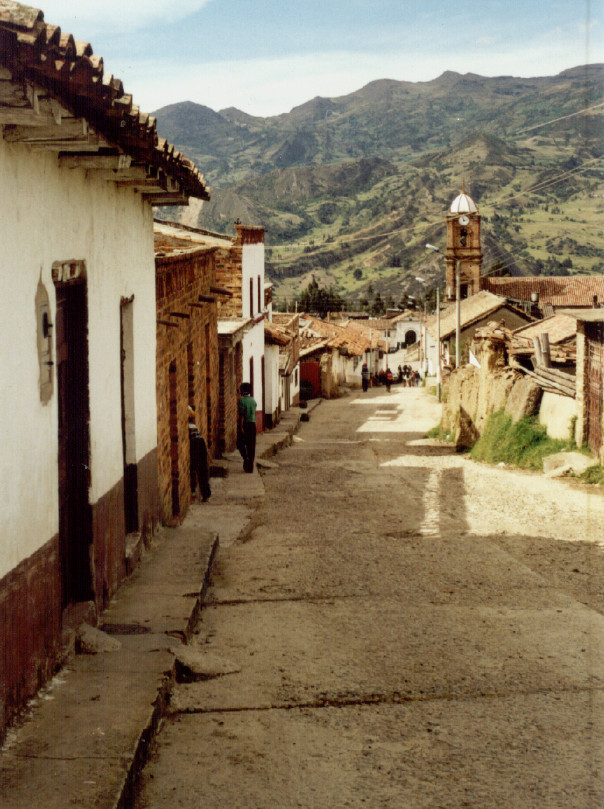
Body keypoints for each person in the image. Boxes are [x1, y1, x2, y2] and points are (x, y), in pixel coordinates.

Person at [188, 407, 211, 502]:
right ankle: (206, 494)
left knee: (193, 467)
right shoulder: (193, 425)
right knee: (202, 469)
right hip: (201, 442)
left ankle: (193, 490)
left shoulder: (187, 426)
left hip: (194, 443)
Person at [238, 382, 257, 473]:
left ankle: (246, 458)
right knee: (251, 445)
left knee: (240, 443)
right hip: (253, 424)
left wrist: (241, 427)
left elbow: (241, 415)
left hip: (245, 424)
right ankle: (251, 466)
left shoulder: (241, 401)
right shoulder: (253, 401)